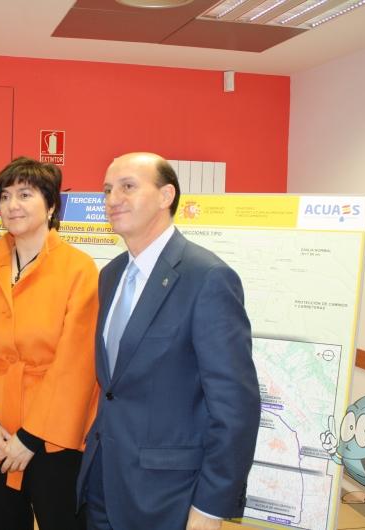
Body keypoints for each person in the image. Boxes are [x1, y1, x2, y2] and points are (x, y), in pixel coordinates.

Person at [76, 152, 261, 530]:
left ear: (166, 196)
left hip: (167, 494)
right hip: (103, 481)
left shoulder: (207, 278)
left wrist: (211, 507)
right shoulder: (111, 275)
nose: (112, 199)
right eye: (107, 190)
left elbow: (235, 406)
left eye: (128, 187)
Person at [0, 157, 99, 530]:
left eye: (25, 194)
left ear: (51, 205)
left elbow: (77, 363)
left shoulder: (79, 269)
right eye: (5, 196)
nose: (12, 205)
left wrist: (31, 437)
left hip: (55, 433)